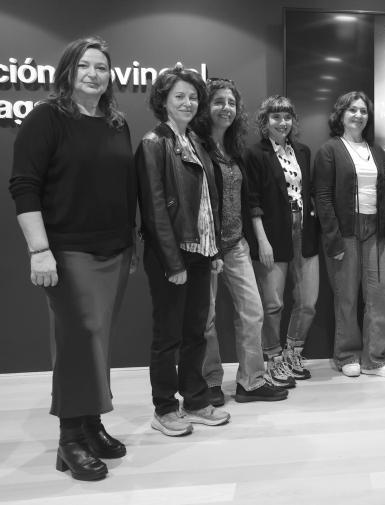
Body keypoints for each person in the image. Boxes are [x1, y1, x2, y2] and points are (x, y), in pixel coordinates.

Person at [9, 36, 134, 481]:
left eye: (101, 67)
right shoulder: (47, 117)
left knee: (97, 341)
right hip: (67, 250)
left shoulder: (116, 122)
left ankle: (91, 424)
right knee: (77, 340)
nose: (94, 74)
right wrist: (39, 250)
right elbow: (24, 185)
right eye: (85, 66)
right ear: (68, 71)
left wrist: (131, 243)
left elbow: (124, 187)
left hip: (114, 250)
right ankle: (70, 438)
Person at [137, 64, 230, 437]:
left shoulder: (195, 141)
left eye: (193, 97)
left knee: (195, 332)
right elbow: (155, 210)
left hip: (200, 252)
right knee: (168, 336)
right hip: (170, 256)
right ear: (164, 100)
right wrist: (172, 262)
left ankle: (194, 400)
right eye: (179, 96)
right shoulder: (153, 143)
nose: (188, 102)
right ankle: (163, 408)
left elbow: (208, 202)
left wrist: (214, 251)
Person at [196, 80, 289, 404]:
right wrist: (209, 247)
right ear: (206, 107)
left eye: (231, 103)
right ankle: (210, 382)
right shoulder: (195, 145)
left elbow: (248, 198)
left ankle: (251, 381)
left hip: (236, 244)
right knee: (206, 319)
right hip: (206, 247)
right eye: (218, 101)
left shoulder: (234, 148)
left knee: (253, 312)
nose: (226, 108)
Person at [314, 91, 385, 378]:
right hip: (345, 233)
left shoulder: (376, 152)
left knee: (381, 295)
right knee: (347, 296)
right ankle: (346, 356)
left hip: (376, 232)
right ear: (341, 114)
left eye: (363, 111)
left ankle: (376, 360)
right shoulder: (330, 150)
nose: (358, 115)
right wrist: (333, 239)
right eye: (352, 109)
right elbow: (322, 198)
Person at [244, 95, 320, 383]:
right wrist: (262, 241)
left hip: (304, 231)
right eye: (276, 117)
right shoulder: (255, 154)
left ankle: (292, 353)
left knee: (308, 301)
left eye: (287, 117)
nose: (282, 122)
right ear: (265, 122)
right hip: (273, 234)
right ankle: (273, 359)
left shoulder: (303, 151)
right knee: (273, 304)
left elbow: (309, 192)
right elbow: (252, 201)